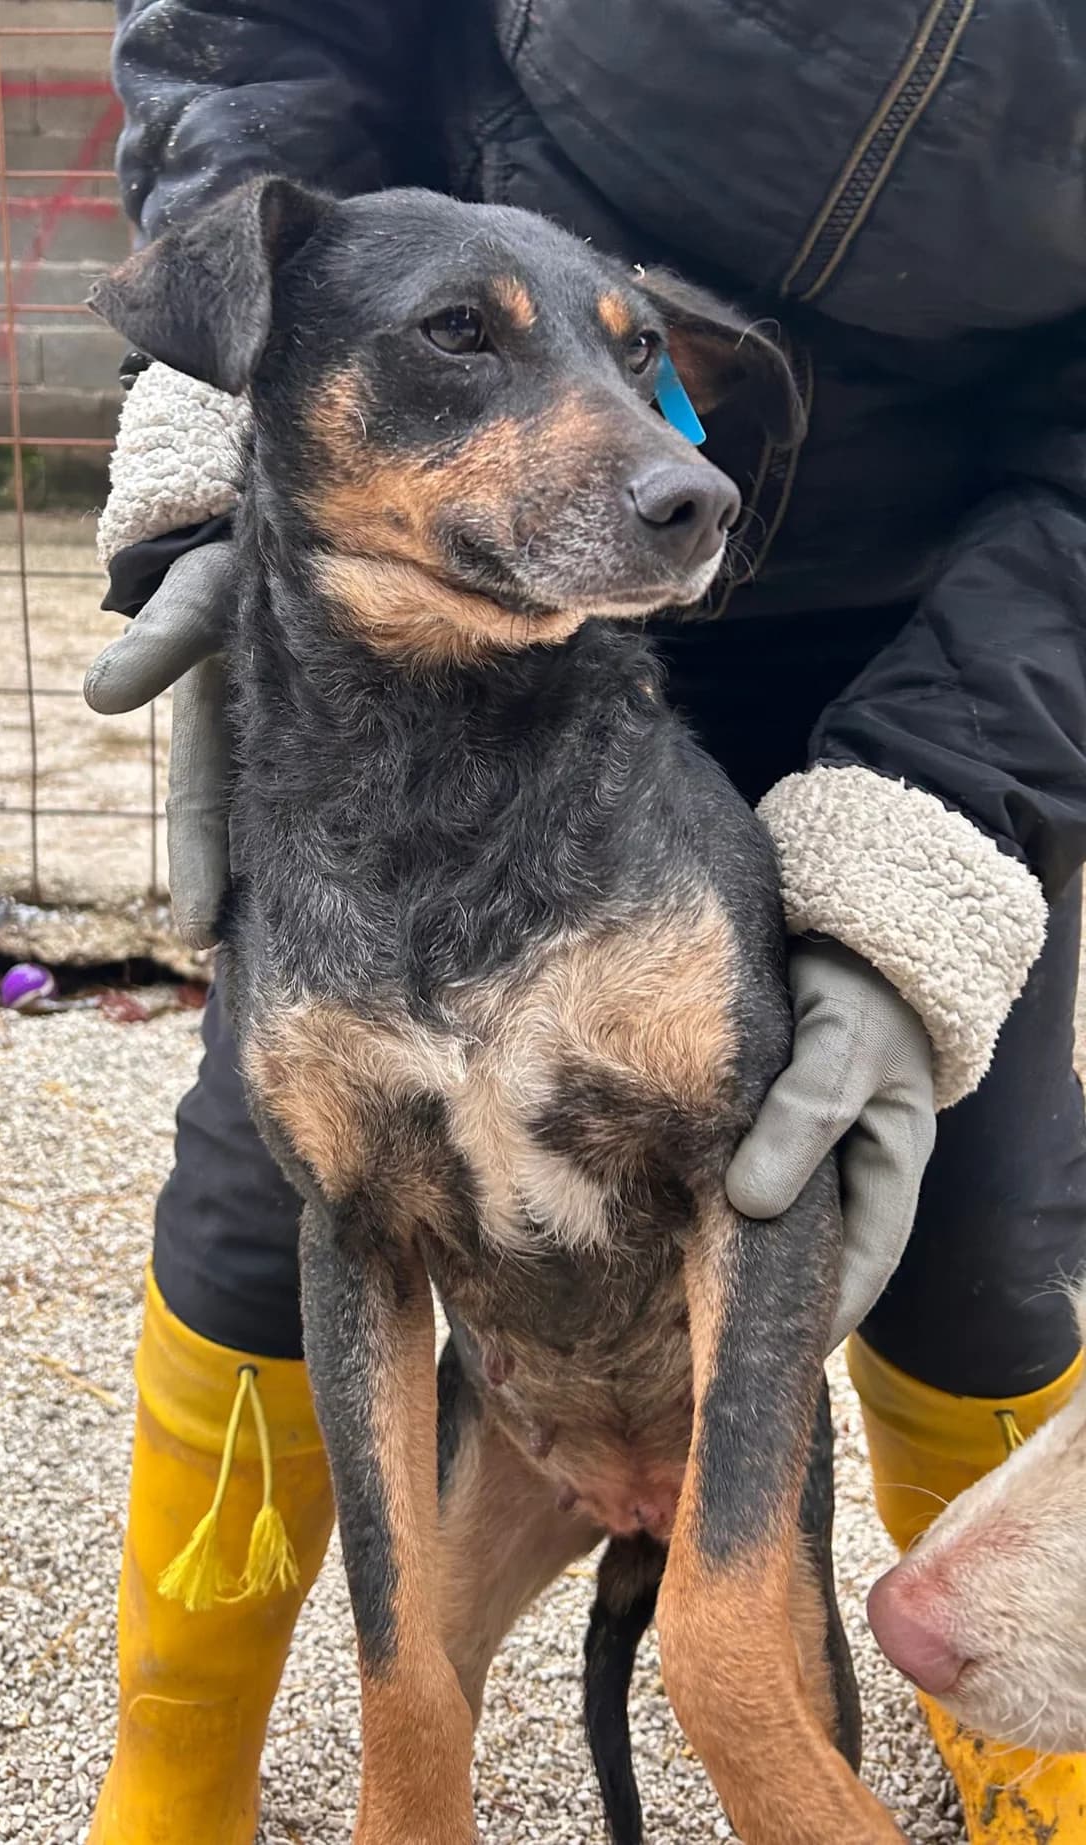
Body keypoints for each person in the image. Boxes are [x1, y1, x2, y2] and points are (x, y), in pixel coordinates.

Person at [83, 5, 1086, 1841]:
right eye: (465, 350)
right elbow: (264, 29)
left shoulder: (667, 450)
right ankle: (177, 1765)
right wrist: (231, 440)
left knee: (981, 1238)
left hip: (969, 601)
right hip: (422, 533)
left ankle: (1037, 1766)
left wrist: (951, 823)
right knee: (255, 1209)